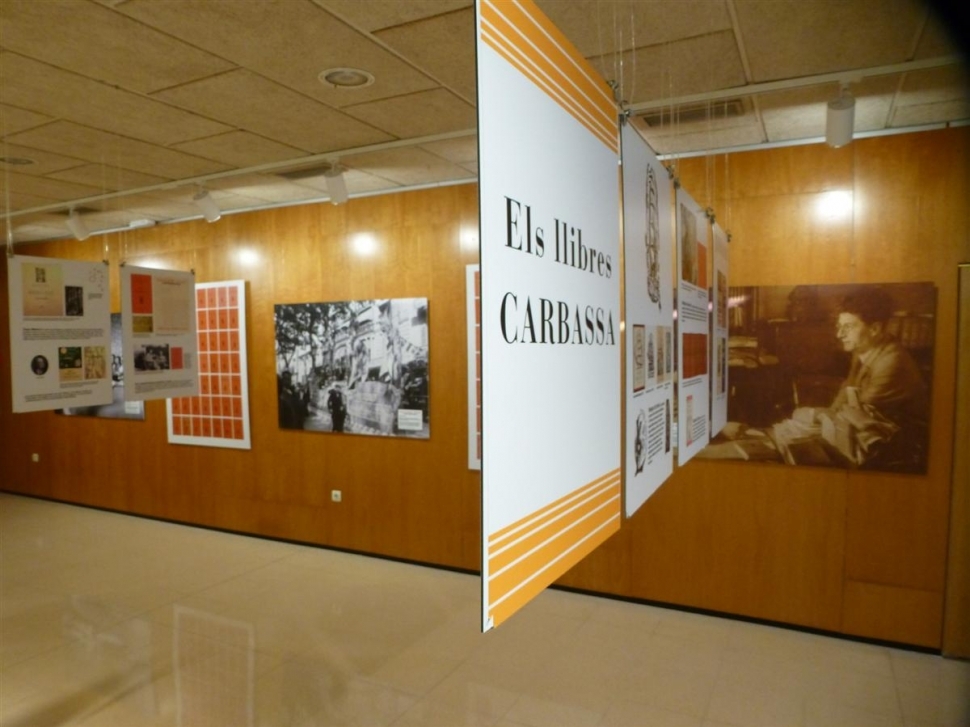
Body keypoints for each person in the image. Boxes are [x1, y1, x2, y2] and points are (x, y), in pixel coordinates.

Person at [829, 287, 929, 470]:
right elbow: (848, 387)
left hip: (906, 447)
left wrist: (828, 417)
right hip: (869, 432)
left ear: (875, 328)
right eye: (839, 326)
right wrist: (830, 413)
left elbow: (860, 410)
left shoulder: (891, 362)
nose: (839, 334)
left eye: (848, 327)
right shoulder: (864, 349)